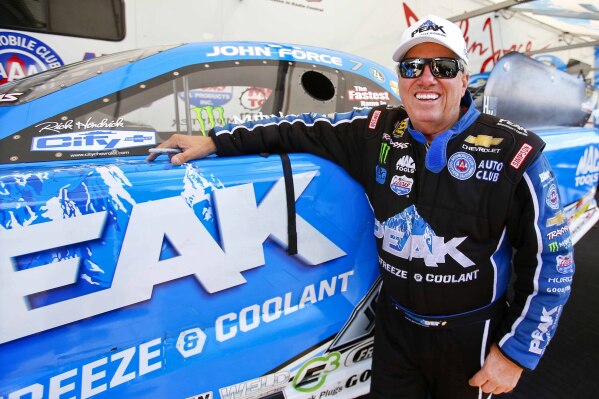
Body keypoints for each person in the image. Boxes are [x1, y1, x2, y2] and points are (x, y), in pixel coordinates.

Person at [147, 15, 574, 399]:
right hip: (396, 330)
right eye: (412, 67)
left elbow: (553, 262)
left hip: (472, 335)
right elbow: (296, 130)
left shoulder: (516, 150)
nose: (427, 78)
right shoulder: (375, 130)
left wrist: (516, 352)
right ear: (401, 80)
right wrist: (216, 141)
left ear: (464, 80)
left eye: (442, 68)